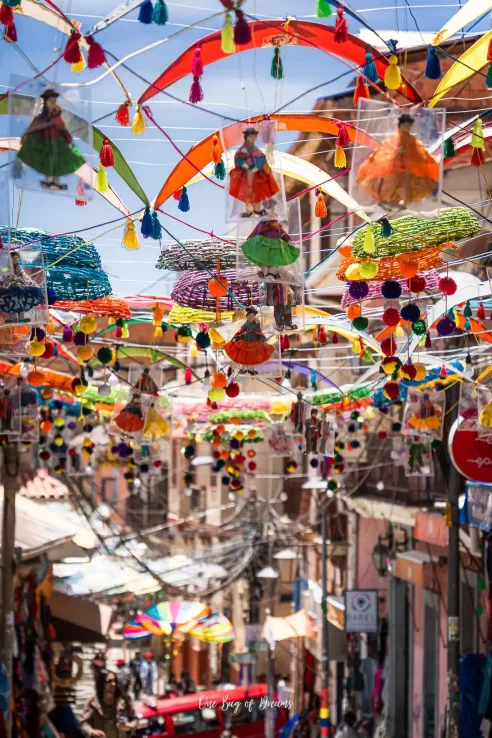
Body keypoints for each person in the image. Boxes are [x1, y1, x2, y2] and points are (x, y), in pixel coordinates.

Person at [356, 113, 440, 210]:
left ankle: (400, 202)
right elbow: (383, 151)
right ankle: (387, 201)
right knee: (390, 186)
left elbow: (421, 152)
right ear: (400, 126)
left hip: (408, 170)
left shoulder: (412, 140)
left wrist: (425, 161)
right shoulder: (392, 139)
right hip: (392, 168)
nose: (406, 128)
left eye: (408, 126)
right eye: (405, 125)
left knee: (406, 186)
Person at [16, 88, 86, 191]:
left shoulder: (56, 116)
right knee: (46, 162)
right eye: (50, 101)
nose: (53, 103)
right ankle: (50, 181)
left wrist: (68, 140)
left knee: (57, 162)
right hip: (43, 141)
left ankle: (55, 182)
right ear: (45, 102)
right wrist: (26, 135)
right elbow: (34, 126)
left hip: (57, 141)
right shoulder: (41, 117)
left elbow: (63, 128)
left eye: (54, 101)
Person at [228, 126, 279, 217]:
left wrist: (256, 168)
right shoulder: (242, 150)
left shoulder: (256, 150)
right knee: (246, 193)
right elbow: (238, 158)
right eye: (251, 137)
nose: (253, 139)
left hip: (256, 175)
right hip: (245, 175)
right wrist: (244, 165)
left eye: (254, 137)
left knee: (257, 193)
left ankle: (257, 210)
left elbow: (261, 158)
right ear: (246, 137)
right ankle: (249, 211)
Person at [80, 669, 136, 738]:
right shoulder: (92, 702)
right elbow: (83, 723)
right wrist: (91, 731)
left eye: (114, 681)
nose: (113, 684)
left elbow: (135, 720)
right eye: (109, 681)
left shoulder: (124, 700)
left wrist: (129, 726)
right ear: (101, 683)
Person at [223, 307, 274, 372]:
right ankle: (242, 369)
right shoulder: (245, 324)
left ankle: (251, 370)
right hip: (244, 342)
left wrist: (262, 339)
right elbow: (240, 331)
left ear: (255, 316)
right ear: (246, 316)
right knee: (242, 356)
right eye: (249, 315)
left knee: (252, 357)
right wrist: (237, 337)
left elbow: (259, 332)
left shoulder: (257, 325)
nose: (251, 317)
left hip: (254, 342)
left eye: (252, 315)